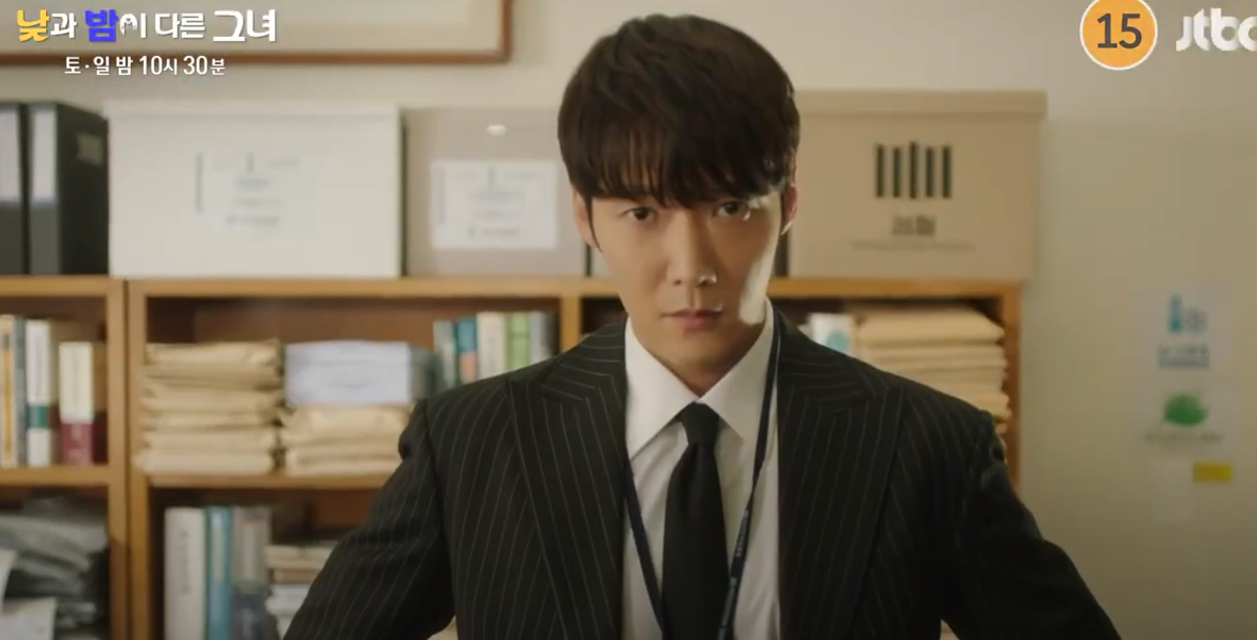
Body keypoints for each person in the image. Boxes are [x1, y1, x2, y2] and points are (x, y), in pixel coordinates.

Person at [283, 13, 1121, 640]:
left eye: (729, 207)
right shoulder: (472, 443)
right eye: (642, 213)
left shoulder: (927, 446)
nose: (691, 266)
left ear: (787, 203)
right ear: (584, 215)